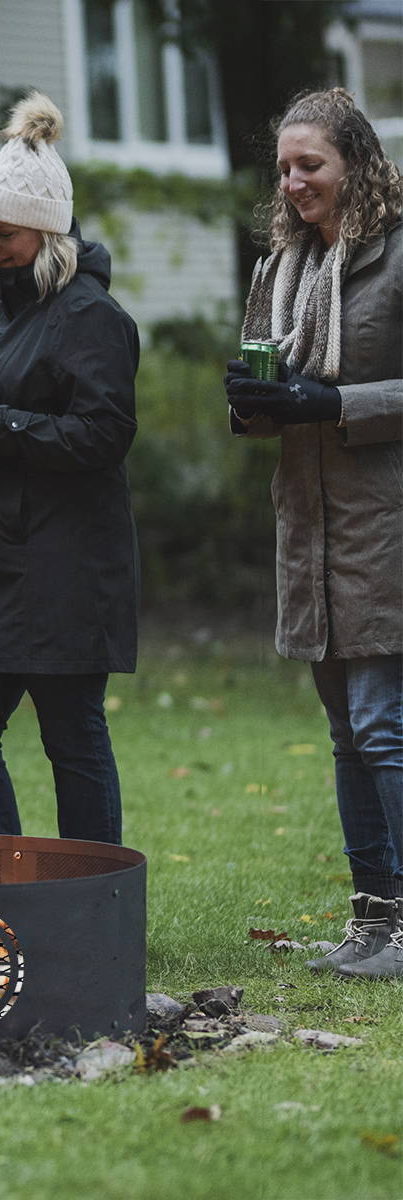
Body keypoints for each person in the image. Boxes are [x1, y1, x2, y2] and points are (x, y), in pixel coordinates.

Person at [0, 92, 139, 847]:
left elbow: (104, 435)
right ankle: (6, 882)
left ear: (49, 234)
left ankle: (93, 908)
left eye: (5, 233)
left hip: (61, 574)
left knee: (72, 743)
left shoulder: (93, 318)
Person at [224, 88, 403, 979]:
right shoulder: (281, 271)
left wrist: (332, 402)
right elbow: (275, 403)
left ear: (355, 165)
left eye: (312, 165)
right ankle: (372, 921)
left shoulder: (397, 259)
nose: (294, 183)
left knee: (383, 726)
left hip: (389, 528)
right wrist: (253, 403)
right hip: (311, 530)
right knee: (346, 735)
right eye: (285, 167)